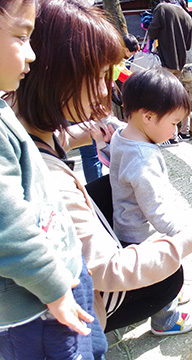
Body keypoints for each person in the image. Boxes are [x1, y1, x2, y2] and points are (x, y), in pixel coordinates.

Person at [15, 0, 192, 336]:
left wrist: (84, 132)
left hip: (99, 244)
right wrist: (183, 243)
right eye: (99, 76)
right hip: (77, 309)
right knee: (170, 273)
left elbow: (59, 140)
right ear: (60, 73)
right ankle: (161, 314)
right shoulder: (48, 177)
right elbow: (107, 267)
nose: (108, 90)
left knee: (106, 189)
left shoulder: (22, 127)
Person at [0, 0, 107, 359]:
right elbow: (6, 225)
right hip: (40, 306)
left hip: (64, 279)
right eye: (20, 36)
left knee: (92, 348)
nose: (30, 55)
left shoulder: (3, 110)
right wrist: (55, 288)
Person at [109, 66, 192, 335]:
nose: (176, 131)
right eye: (174, 123)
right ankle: (165, 319)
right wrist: (182, 235)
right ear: (149, 116)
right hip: (143, 233)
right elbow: (155, 209)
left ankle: (167, 300)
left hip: (125, 223)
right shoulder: (143, 159)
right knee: (165, 268)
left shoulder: (123, 135)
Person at [148, 0, 192, 145]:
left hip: (164, 62)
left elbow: (152, 32)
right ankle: (185, 132)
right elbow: (187, 45)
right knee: (180, 98)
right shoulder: (187, 16)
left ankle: (171, 136)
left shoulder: (162, 8)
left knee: (165, 100)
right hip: (180, 64)